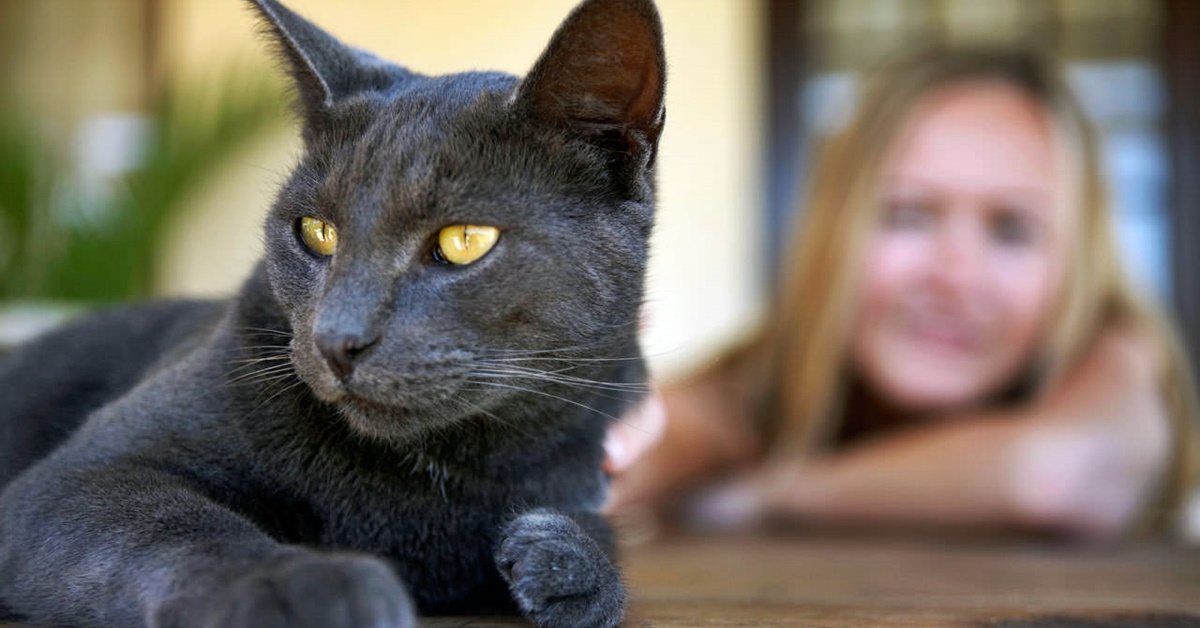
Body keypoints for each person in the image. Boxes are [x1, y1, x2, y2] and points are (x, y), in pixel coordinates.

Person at [605, 48, 1200, 544]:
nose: (955, 275)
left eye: (1012, 229)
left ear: (1079, 263)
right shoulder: (767, 380)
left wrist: (775, 493)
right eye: (909, 215)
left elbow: (1062, 476)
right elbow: (635, 447)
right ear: (832, 236)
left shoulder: (1116, 347)